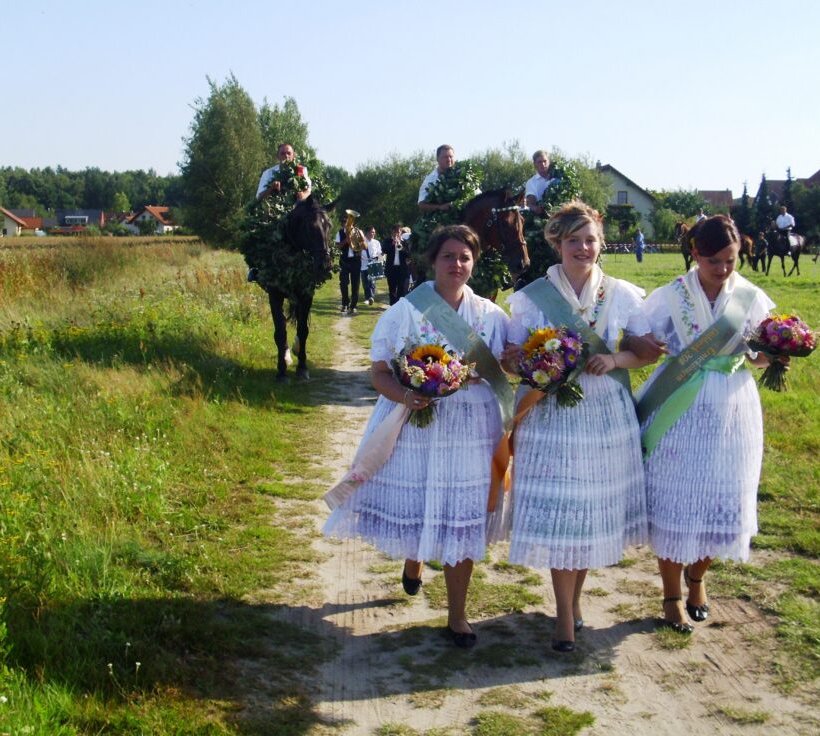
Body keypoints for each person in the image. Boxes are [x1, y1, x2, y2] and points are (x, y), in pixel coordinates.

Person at [324, 225, 511, 649]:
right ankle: (414, 560)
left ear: (474, 262)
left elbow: (507, 366)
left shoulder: (491, 315)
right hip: (417, 426)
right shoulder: (404, 312)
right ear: (433, 260)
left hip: (472, 429)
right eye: (449, 256)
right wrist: (409, 394)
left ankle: (457, 615)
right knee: (426, 502)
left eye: (465, 257)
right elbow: (379, 373)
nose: (457, 265)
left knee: (462, 514)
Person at [502, 202, 656, 652]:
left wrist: (615, 358)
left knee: (586, 514)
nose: (582, 248)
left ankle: (573, 604)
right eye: (573, 240)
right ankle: (564, 617)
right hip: (550, 414)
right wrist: (536, 362)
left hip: (604, 415)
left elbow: (647, 351)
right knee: (563, 514)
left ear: (601, 244)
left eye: (590, 240)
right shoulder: (532, 297)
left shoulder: (623, 294)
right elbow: (512, 358)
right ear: (557, 243)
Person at [635, 215, 777, 635]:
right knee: (676, 499)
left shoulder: (750, 297)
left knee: (723, 497)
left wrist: (776, 353)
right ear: (695, 253)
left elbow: (762, 352)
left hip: (732, 406)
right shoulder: (669, 296)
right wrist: (641, 345)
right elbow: (639, 338)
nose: (722, 269)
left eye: (731, 260)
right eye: (713, 260)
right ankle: (671, 595)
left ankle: (698, 580)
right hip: (679, 403)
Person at [336, 215, 363, 313]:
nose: (348, 227)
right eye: (346, 225)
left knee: (355, 284)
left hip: (355, 261)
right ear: (343, 225)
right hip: (344, 261)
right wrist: (345, 241)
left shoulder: (357, 232)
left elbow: (363, 246)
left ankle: (353, 306)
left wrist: (355, 242)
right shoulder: (339, 233)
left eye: (350, 225)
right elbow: (337, 247)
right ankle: (344, 304)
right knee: (343, 283)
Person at [418, 145, 457, 213]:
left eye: (451, 157)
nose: (449, 160)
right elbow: (421, 204)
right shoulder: (430, 180)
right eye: (445, 157)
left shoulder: (463, 175)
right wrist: (440, 207)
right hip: (439, 221)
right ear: (437, 159)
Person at [382, 224, 410, 305]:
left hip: (402, 270)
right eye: (395, 231)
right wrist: (392, 244)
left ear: (401, 232)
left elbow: (408, 254)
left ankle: (399, 307)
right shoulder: (387, 241)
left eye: (398, 231)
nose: (397, 233)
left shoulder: (405, 242)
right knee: (392, 290)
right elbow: (384, 250)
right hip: (391, 269)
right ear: (392, 232)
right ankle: (392, 307)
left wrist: (401, 246)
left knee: (401, 290)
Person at [524, 150, 555, 216]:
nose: (543, 164)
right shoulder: (531, 182)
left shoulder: (559, 178)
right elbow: (531, 204)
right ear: (535, 164)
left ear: (549, 162)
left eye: (545, 161)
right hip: (544, 217)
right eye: (539, 162)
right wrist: (536, 209)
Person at [361, 227, 383, 305]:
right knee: (365, 282)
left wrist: (379, 261)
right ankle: (367, 298)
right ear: (367, 233)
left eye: (374, 232)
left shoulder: (377, 242)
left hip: (373, 264)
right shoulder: (361, 242)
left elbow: (380, 253)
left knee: (372, 282)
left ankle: (371, 297)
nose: (373, 234)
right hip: (363, 264)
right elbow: (358, 252)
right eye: (371, 232)